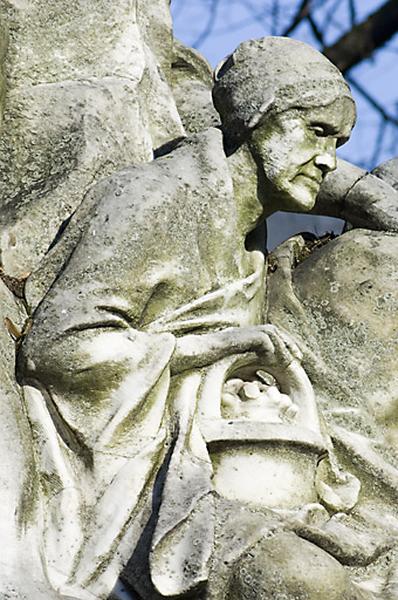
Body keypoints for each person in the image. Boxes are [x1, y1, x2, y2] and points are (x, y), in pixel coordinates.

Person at [17, 37, 396, 599]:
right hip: (135, 470)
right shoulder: (153, 198)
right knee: (302, 581)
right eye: (316, 132)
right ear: (256, 119)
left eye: (339, 142)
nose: (330, 160)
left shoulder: (253, 234)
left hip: (221, 453)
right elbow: (58, 345)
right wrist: (215, 348)